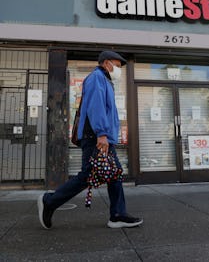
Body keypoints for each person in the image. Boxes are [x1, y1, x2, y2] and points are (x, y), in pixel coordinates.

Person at [38, 50, 143, 229]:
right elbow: (96, 107)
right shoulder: (97, 78)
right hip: (96, 137)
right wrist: (102, 134)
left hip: (102, 138)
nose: (118, 70)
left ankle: (117, 215)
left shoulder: (106, 81)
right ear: (106, 63)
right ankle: (50, 201)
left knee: (114, 174)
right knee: (88, 176)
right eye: (117, 66)